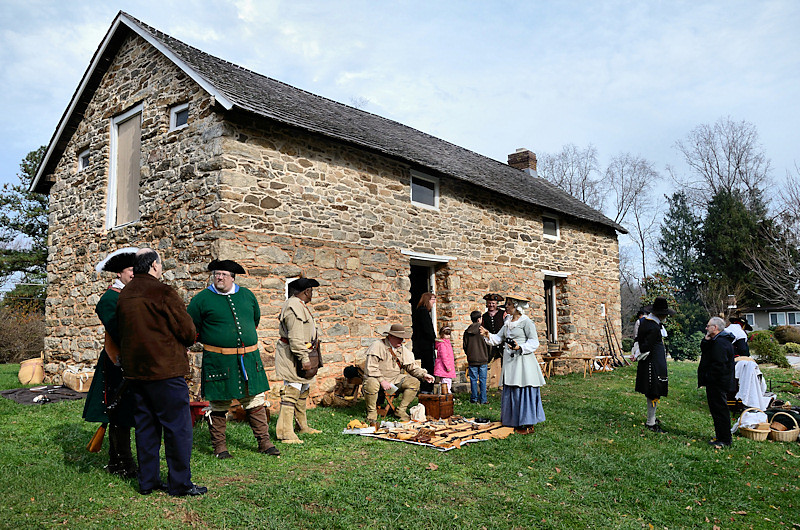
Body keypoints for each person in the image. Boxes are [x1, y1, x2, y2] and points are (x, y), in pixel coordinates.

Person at [116, 248, 206, 496]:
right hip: (165, 372)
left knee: (145, 427)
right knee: (177, 428)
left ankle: (148, 482)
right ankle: (179, 484)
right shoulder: (162, 292)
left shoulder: (125, 295)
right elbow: (187, 331)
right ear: (154, 266)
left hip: (135, 373)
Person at [187, 259, 279, 458]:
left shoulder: (247, 295)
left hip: (248, 359)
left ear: (232, 277)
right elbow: (191, 328)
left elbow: (255, 320)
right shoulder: (201, 299)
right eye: (216, 274)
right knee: (219, 404)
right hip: (218, 360)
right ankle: (220, 448)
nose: (219, 277)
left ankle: (264, 442)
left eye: (223, 274)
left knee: (255, 400)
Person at [82, 247, 138, 478]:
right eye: (130, 270)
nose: (134, 274)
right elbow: (119, 331)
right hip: (116, 362)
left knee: (124, 412)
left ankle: (117, 462)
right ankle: (124, 463)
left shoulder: (129, 295)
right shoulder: (110, 299)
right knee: (119, 413)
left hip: (131, 360)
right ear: (119, 274)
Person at [480, 294, 545, 434]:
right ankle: (514, 420)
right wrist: (487, 334)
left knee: (523, 388)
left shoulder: (526, 322)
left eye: (508, 304)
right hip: (510, 361)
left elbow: (534, 342)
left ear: (516, 306)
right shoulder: (508, 321)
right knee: (512, 388)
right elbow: (498, 338)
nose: (506, 306)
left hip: (523, 362)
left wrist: (520, 347)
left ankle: (527, 424)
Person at [275, 277, 322, 444]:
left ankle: (302, 426)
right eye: (311, 291)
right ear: (306, 291)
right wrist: (303, 357)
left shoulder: (299, 306)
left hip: (304, 352)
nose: (312, 294)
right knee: (292, 391)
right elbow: (295, 337)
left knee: (303, 389)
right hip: (294, 355)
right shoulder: (294, 307)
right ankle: (285, 433)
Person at [363, 323, 435, 423]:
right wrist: (382, 381)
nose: (401, 340)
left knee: (414, 382)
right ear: (390, 336)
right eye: (399, 338)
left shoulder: (402, 349)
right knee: (371, 383)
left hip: (394, 383)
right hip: (378, 381)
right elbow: (371, 368)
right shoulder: (377, 346)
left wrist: (423, 374)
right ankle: (372, 412)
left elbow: (411, 367)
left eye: (402, 338)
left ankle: (400, 411)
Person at [634, 297, 675, 434]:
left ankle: (652, 418)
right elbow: (646, 346)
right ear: (661, 314)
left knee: (653, 390)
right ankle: (650, 422)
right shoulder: (652, 326)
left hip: (652, 361)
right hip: (652, 363)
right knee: (653, 390)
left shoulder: (647, 322)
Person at [698, 317, 736, 448]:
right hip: (717, 382)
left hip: (718, 382)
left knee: (720, 410)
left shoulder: (720, 343)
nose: (706, 328)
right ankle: (721, 436)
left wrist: (709, 377)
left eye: (708, 326)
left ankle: (724, 439)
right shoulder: (718, 341)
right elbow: (706, 351)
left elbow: (719, 365)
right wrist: (706, 340)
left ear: (715, 328)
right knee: (717, 410)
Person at [411, 292, 436, 393]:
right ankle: (427, 389)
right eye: (432, 300)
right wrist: (434, 338)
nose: (433, 302)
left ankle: (426, 388)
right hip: (424, 346)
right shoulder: (423, 312)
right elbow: (427, 329)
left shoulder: (421, 311)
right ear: (427, 300)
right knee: (427, 367)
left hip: (422, 344)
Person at [463, 310, 489, 404]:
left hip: (472, 359)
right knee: (483, 380)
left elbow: (465, 346)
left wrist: (469, 354)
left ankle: (474, 398)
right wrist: (487, 355)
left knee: (473, 380)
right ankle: (483, 399)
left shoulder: (467, 331)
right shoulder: (483, 331)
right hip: (483, 358)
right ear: (479, 319)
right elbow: (489, 344)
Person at [482, 294, 505, 389]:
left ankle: (504, 384)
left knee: (505, 364)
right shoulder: (484, 316)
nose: (491, 305)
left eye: (493, 303)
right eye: (489, 303)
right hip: (490, 344)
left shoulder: (503, 314)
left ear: (497, 304)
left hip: (503, 343)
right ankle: (487, 385)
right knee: (487, 363)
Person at [433, 325, 456, 392]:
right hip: (444, 368)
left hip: (446, 367)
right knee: (446, 382)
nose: (448, 336)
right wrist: (448, 367)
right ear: (442, 334)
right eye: (446, 334)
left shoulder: (447, 343)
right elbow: (444, 357)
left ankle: (446, 394)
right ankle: (447, 395)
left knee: (447, 382)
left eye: (449, 334)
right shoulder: (442, 344)